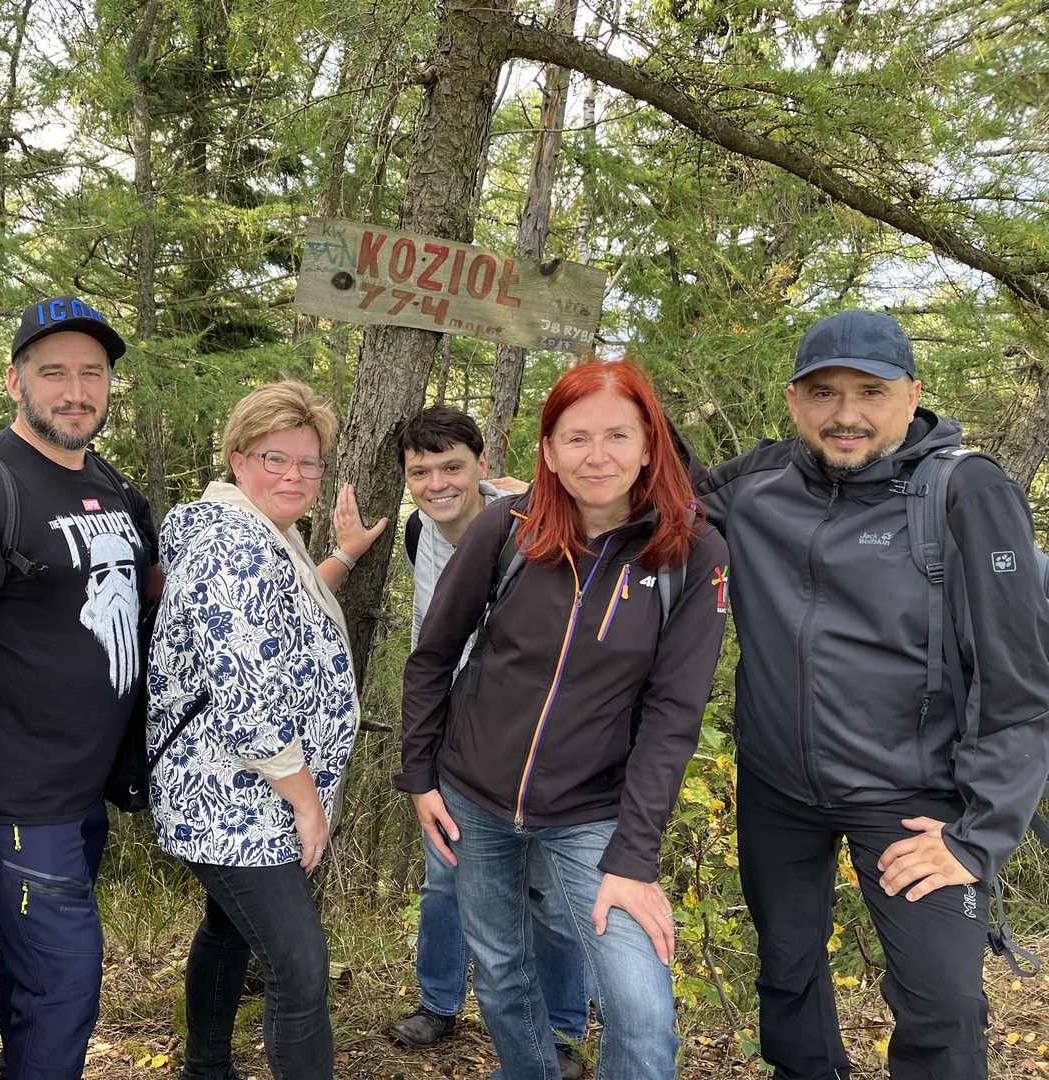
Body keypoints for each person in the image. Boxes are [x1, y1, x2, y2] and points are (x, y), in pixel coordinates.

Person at [689, 310, 1049, 1079]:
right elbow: (656, 499)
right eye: (823, 392)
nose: (845, 414)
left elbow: (1019, 682)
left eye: (870, 392)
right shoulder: (756, 484)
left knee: (944, 1007)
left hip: (912, 796)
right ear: (794, 401)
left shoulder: (965, 492)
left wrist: (978, 836)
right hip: (778, 785)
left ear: (912, 394)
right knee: (787, 972)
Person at [398, 360, 730, 1080]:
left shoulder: (693, 554)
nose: (597, 456)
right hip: (472, 798)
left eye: (618, 436)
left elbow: (673, 716)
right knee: (500, 970)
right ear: (548, 451)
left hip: (594, 813)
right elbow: (433, 656)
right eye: (577, 438)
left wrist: (634, 857)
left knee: (641, 1012)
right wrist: (420, 776)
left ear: (650, 445)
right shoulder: (509, 528)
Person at [0, 297, 159, 1080]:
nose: (76, 391)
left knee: (37, 983)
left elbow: (163, 592)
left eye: (93, 373)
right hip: (20, 799)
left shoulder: (110, 483)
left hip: (84, 790)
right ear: (14, 382)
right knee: (64, 987)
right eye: (54, 373)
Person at [147, 380, 379, 1080]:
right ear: (238, 458)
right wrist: (307, 804)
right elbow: (248, 707)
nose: (294, 476)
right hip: (235, 799)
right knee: (299, 967)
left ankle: (205, 1069)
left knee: (228, 930)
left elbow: (275, 619)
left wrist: (343, 555)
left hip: (242, 794)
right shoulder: (234, 546)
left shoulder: (263, 533)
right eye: (275, 458)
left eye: (309, 463)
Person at [390, 406, 591, 1080]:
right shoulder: (418, 531)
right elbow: (432, 651)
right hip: (454, 738)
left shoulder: (527, 525)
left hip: (534, 741)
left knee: (550, 898)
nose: (437, 484)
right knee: (444, 879)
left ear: (483, 463)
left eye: (452, 467)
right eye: (421, 471)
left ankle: (561, 1029)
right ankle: (438, 1002)